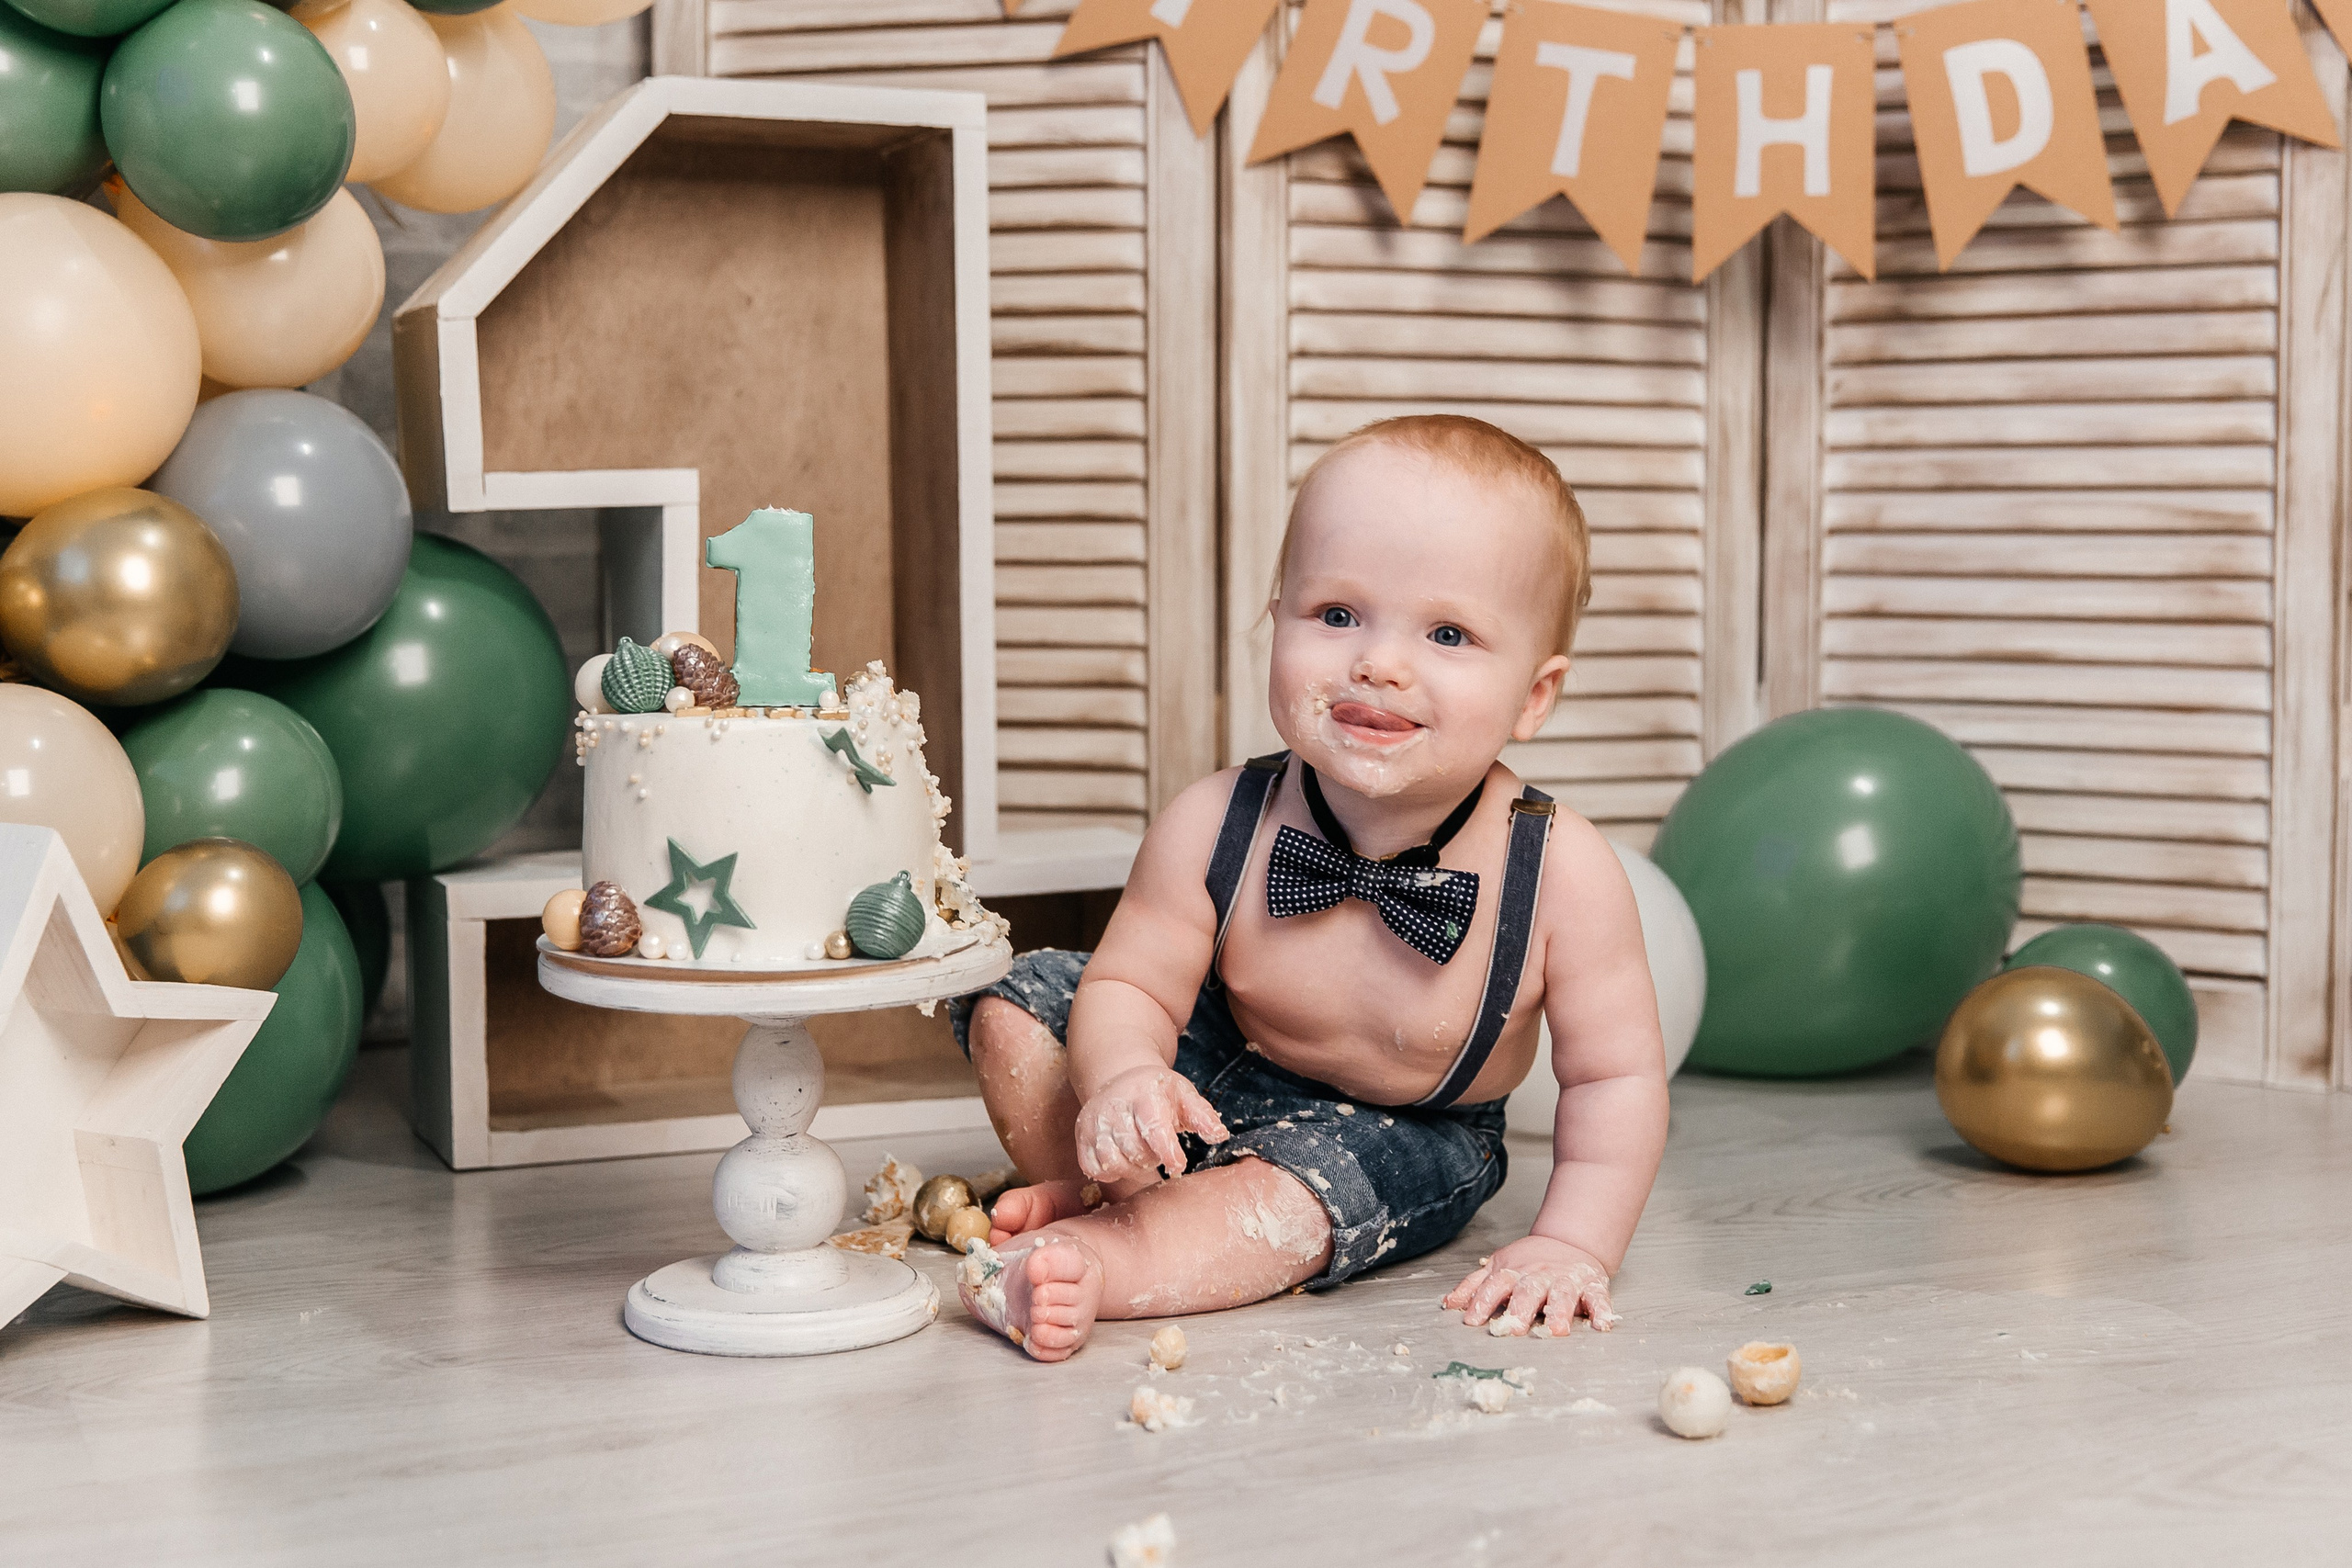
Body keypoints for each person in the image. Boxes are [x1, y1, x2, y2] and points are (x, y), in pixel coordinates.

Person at [951, 413, 1669, 1361]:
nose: (1378, 662)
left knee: (1286, 1203)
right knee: (1022, 1003)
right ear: (1275, 615)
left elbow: (1613, 1078)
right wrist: (1126, 1078)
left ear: (1534, 696)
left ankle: (1099, 1260)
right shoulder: (1218, 820)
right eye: (1336, 615)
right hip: (1216, 1071)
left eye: (1447, 633)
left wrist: (1571, 1242)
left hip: (1403, 1128)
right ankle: (1110, 1177)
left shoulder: (1561, 871)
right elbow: (1131, 984)